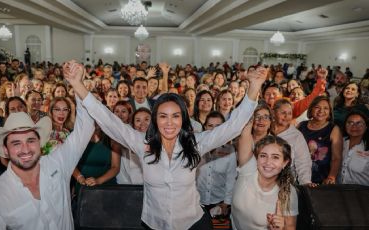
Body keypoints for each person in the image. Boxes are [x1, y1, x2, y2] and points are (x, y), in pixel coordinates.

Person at [80, 61, 266, 229]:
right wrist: (77, 85)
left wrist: (254, 87)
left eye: (175, 116)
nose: (169, 123)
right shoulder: (142, 143)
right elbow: (109, 122)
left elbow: (232, 127)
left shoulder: (195, 143)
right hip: (154, 223)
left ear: (183, 119)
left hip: (192, 223)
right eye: (163, 116)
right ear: (155, 119)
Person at [0, 61, 95, 230]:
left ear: (40, 142)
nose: (25, 149)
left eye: (31, 140)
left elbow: (86, 127)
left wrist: (77, 85)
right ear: (5, 150)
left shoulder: (58, 163)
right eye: (16, 143)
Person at [234, 124, 298, 229]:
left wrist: (281, 228)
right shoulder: (248, 170)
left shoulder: (288, 192)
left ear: (285, 163)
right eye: (263, 156)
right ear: (256, 158)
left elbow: (291, 227)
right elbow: (245, 133)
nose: (268, 162)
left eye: (275, 157)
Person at [197, 111, 236, 218]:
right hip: (197, 202)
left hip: (219, 202)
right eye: (210, 126)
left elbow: (231, 178)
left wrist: (226, 203)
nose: (214, 130)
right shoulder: (196, 148)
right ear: (204, 127)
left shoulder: (230, 150)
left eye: (218, 126)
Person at [298, 96, 343, 184]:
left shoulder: (333, 129)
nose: (321, 111)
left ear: (330, 112)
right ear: (311, 109)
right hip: (299, 177)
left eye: (326, 108)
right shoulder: (301, 126)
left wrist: (331, 177)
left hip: (322, 181)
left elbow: (336, 158)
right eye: (317, 107)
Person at [338, 111, 369, 185]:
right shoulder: (339, 142)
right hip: (338, 191)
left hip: (362, 193)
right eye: (350, 123)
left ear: (366, 126)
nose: (354, 126)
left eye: (359, 123)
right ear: (345, 126)